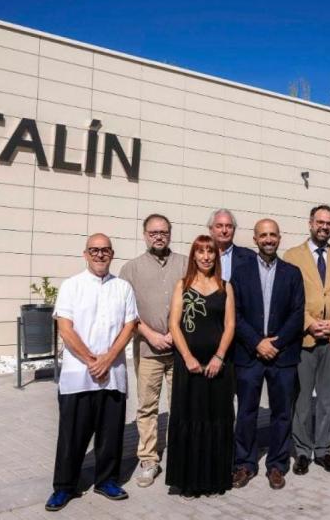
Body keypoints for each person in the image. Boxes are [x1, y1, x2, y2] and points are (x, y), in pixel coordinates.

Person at [45, 234, 137, 512]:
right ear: (85, 254)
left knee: (111, 434)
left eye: (105, 250)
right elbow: (65, 327)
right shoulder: (72, 286)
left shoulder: (123, 287)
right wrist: (91, 360)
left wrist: (108, 359)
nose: (100, 255)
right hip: (78, 375)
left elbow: (129, 325)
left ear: (112, 254)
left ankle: (107, 480)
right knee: (72, 435)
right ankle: (64, 487)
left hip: (113, 374)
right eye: (94, 250)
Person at [231, 219, 306, 490]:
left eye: (273, 234)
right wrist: (256, 342)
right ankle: (244, 464)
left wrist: (276, 343)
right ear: (255, 239)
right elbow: (235, 314)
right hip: (249, 355)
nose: (268, 239)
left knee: (281, 413)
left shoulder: (292, 273)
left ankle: (277, 464)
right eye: (263, 235)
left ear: (279, 238)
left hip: (282, 355)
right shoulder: (240, 272)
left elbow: (298, 313)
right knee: (247, 412)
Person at [285, 205, 330, 475]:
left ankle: (323, 450)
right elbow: (289, 296)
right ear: (310, 223)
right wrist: (310, 323)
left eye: (329, 223)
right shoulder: (292, 256)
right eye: (320, 222)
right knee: (302, 398)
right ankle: (302, 451)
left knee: (327, 398)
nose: (324, 227)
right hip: (305, 337)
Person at [118, 214, 187, 488]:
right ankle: (148, 459)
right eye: (153, 232)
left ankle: (180, 455)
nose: (158, 236)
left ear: (170, 233)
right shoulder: (131, 269)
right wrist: (151, 335)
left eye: (163, 232)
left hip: (179, 349)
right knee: (147, 406)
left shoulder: (184, 263)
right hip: (148, 350)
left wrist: (175, 333)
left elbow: (193, 302)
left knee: (179, 405)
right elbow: (126, 311)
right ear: (145, 235)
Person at [165, 235, 236, 497]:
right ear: (193, 256)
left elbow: (230, 325)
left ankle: (214, 478)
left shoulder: (225, 286)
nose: (206, 256)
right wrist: (188, 357)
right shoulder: (182, 285)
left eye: (210, 252)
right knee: (190, 418)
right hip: (189, 366)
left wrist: (218, 357)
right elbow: (174, 324)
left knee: (216, 419)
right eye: (200, 252)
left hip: (219, 367)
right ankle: (188, 480)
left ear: (216, 257)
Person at [207, 208, 256, 281]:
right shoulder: (202, 256)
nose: (224, 231)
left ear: (234, 230)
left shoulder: (250, 257)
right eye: (219, 226)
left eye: (229, 226)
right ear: (211, 230)